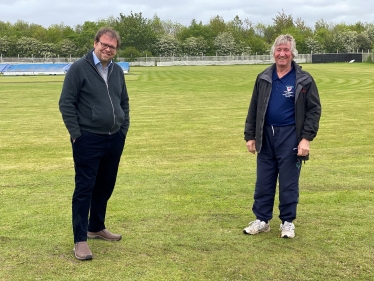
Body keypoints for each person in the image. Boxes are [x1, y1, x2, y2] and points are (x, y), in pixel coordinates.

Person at [59, 27, 130, 260]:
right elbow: (66, 103)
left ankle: (96, 227)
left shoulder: (117, 71)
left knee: (105, 185)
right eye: (104, 44)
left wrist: (123, 129)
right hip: (88, 138)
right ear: (95, 43)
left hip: (114, 137)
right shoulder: (79, 68)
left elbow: (124, 102)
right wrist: (76, 133)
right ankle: (80, 239)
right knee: (84, 188)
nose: (108, 49)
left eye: (112, 46)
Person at [243, 34, 321, 238]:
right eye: (279, 50)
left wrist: (306, 139)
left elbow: (314, 110)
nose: (282, 54)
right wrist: (250, 136)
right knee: (264, 181)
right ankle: (262, 219)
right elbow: (254, 108)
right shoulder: (263, 78)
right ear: (273, 53)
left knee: (288, 182)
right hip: (266, 135)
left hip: (291, 136)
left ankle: (287, 222)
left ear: (293, 53)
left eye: (286, 50)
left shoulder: (303, 80)